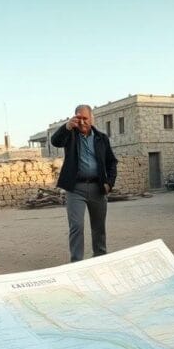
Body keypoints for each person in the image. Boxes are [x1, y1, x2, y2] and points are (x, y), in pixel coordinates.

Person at [51, 105, 118, 262]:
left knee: (98, 227)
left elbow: (111, 162)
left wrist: (110, 183)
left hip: (98, 187)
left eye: (85, 118)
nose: (82, 122)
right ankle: (77, 263)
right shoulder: (70, 135)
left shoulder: (101, 138)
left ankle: (100, 259)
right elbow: (55, 141)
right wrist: (66, 127)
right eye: (78, 118)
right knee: (76, 227)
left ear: (92, 118)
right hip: (75, 189)